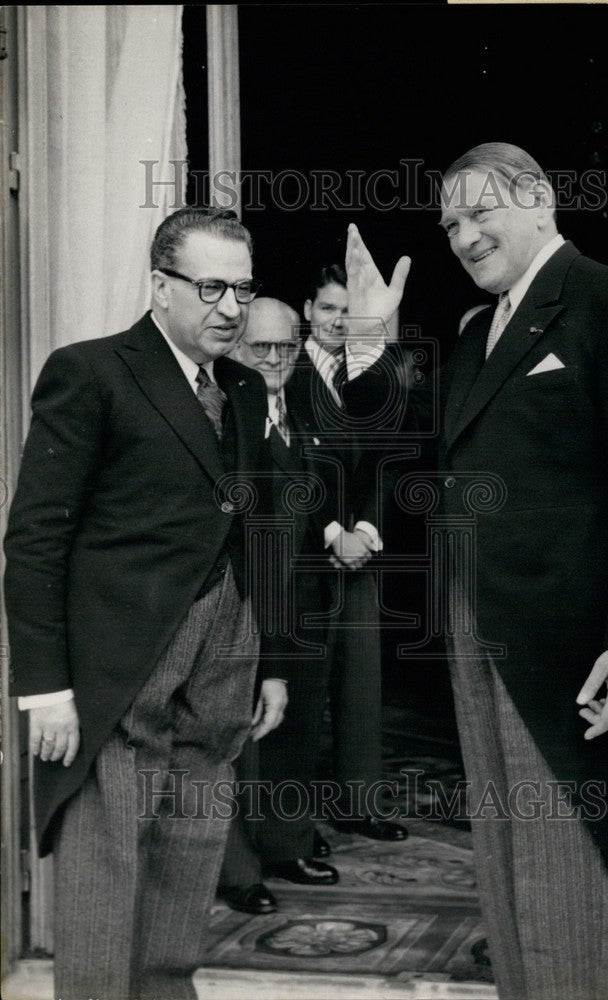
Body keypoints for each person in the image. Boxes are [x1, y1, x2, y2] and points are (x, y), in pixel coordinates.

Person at [344, 141, 608, 1000]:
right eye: (451, 224)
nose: (464, 236)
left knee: (570, 870)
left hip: (572, 650)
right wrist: (371, 344)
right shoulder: (480, 329)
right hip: (479, 636)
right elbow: (413, 446)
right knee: (508, 865)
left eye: (480, 212)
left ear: (539, 198)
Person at [3, 208, 288, 1000]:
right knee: (106, 865)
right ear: (161, 287)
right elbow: (33, 541)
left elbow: (258, 526)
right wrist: (46, 688)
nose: (231, 307)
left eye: (242, 287)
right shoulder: (91, 372)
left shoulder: (240, 385)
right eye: (210, 287)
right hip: (116, 678)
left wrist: (272, 665)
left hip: (222, 664)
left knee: (191, 850)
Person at [218, 297, 341, 911]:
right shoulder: (220, 407)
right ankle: (239, 871)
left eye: (285, 348)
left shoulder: (306, 402)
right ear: (236, 346)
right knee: (239, 733)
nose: (273, 359)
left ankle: (286, 843)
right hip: (242, 599)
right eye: (259, 347)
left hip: (305, 595)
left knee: (297, 726)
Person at [295, 265, 408, 846]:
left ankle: (357, 803)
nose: (339, 321)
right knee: (303, 687)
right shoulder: (282, 373)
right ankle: (291, 825)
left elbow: (387, 459)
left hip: (361, 551)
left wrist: (363, 529)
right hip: (309, 551)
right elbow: (291, 467)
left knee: (362, 682)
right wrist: (333, 530)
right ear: (308, 311)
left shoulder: (369, 375)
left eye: (349, 311)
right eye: (328, 308)